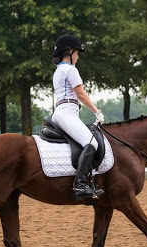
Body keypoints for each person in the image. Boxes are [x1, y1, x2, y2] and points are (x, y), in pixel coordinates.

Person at [51, 34, 105, 200]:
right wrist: (97, 111)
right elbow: (80, 94)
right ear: (69, 52)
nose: (78, 56)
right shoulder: (70, 69)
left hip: (63, 112)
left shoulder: (58, 71)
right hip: (67, 112)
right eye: (77, 53)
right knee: (92, 143)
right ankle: (80, 185)